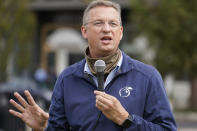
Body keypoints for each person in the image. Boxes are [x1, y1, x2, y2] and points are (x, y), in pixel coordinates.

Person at [9, 0, 177, 130]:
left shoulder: (147, 77)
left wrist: (126, 119)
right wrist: (42, 129)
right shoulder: (67, 79)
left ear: (120, 32)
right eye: (98, 23)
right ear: (84, 31)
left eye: (113, 24)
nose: (106, 29)